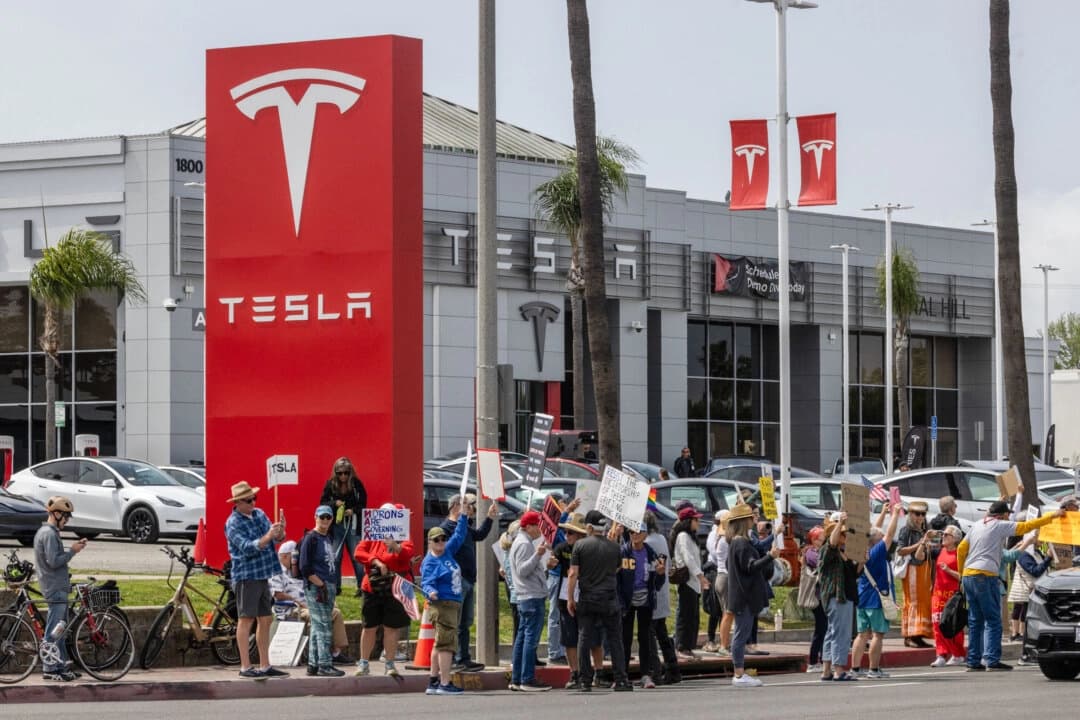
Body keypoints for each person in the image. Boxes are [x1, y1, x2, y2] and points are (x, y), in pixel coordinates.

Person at [957, 499, 1065, 671]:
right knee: (993, 620)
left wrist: (962, 574)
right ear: (1002, 515)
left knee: (975, 621)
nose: (1009, 517)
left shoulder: (977, 525)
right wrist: (1052, 516)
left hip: (969, 575)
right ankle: (992, 660)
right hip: (986, 576)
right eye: (1008, 514)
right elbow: (1026, 526)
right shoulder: (999, 525)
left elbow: (961, 549)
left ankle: (973, 661)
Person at [224, 481, 288, 679]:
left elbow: (275, 539)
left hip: (263, 574)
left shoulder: (259, 514)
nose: (253, 502)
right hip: (246, 575)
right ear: (238, 502)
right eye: (248, 500)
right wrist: (269, 536)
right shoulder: (233, 523)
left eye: (254, 498)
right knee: (246, 619)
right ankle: (245, 666)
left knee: (266, 619)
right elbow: (247, 547)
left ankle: (265, 664)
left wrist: (280, 532)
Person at [567, 514, 632, 692]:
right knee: (615, 639)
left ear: (589, 527)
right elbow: (617, 568)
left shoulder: (580, 546)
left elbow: (573, 574)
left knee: (584, 638)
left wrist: (571, 598)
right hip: (610, 598)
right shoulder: (614, 547)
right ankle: (621, 679)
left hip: (588, 597)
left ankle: (585, 680)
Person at [353, 503, 416, 677]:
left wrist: (396, 546)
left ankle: (389, 664)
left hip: (395, 587)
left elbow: (408, 553)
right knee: (369, 626)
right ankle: (364, 663)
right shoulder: (372, 533)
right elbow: (358, 552)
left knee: (391, 627)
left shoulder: (403, 534)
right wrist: (375, 561)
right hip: (372, 586)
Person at [269, 540, 353, 665]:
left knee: (333, 607)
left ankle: (335, 652)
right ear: (285, 556)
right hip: (292, 609)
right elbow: (278, 594)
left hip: (308, 605)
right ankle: (327, 654)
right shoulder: (276, 571)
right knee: (331, 613)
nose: (296, 560)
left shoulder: (297, 570)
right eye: (294, 557)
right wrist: (301, 603)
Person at [440, 493, 497, 671]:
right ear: (457, 506)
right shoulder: (447, 528)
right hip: (457, 581)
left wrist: (489, 518)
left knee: (466, 621)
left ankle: (464, 657)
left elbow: (479, 536)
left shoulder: (464, 526)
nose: (472, 508)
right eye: (469, 504)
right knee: (456, 622)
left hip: (469, 579)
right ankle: (456, 658)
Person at [34, 495, 88, 682]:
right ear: (56, 514)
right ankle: (50, 667)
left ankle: (61, 665)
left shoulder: (48, 532)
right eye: (66, 516)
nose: (67, 520)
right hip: (54, 587)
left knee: (60, 629)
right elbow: (54, 561)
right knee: (54, 629)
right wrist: (73, 551)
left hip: (57, 586)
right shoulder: (48, 534)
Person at [725, 502, 779, 688]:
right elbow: (750, 567)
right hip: (744, 596)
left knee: (742, 633)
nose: (753, 520)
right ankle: (739, 673)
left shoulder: (738, 542)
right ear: (743, 521)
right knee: (741, 635)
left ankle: (739, 672)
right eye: (750, 517)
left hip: (743, 594)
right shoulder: (741, 543)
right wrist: (770, 557)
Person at [850, 503, 902, 678]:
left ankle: (855, 669)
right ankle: (873, 669)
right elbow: (889, 534)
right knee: (877, 635)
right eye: (880, 536)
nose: (883, 536)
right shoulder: (878, 551)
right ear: (877, 540)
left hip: (863, 597)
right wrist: (894, 514)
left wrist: (882, 513)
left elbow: (874, 531)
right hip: (876, 600)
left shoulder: (863, 551)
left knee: (861, 634)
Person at [421, 518, 470, 695]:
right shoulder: (430, 562)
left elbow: (459, 535)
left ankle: (433, 681)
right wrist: (431, 591)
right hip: (442, 605)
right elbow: (426, 582)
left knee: (440, 642)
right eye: (436, 540)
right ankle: (445, 682)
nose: (440, 542)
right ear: (429, 542)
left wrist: (463, 516)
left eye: (442, 539)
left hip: (452, 604)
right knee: (447, 644)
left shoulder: (447, 551)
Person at [509, 510, 555, 691]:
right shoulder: (524, 544)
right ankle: (527, 678)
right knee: (530, 639)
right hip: (531, 596)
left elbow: (529, 571)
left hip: (528, 595)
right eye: (537, 525)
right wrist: (537, 554)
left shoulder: (523, 542)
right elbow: (522, 570)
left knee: (522, 638)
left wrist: (544, 563)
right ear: (528, 526)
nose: (540, 530)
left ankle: (517, 678)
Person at [298, 505, 345, 677]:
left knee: (318, 627)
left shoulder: (328, 537)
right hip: (316, 587)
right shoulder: (311, 538)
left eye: (328, 517)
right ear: (315, 517)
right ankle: (325, 664)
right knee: (324, 625)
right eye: (322, 516)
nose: (325, 520)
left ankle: (313, 664)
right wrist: (320, 584)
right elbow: (304, 566)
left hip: (329, 585)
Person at [618, 521, 664, 688]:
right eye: (631, 532)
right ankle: (622, 675)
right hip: (627, 601)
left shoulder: (651, 553)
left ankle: (646, 674)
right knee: (625, 638)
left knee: (645, 639)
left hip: (646, 601)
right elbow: (618, 579)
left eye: (638, 532)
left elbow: (658, 583)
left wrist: (660, 574)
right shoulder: (623, 552)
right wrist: (620, 601)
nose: (634, 535)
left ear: (645, 534)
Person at [818, 511, 859, 682]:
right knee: (840, 633)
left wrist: (862, 561)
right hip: (837, 596)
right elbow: (832, 543)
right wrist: (839, 524)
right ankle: (839, 669)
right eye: (843, 533)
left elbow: (853, 574)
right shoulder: (829, 549)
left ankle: (826, 669)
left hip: (845, 595)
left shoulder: (844, 553)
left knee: (832, 632)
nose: (845, 536)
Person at [319, 457, 368, 595]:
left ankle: (361, 587)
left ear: (350, 472)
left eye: (346, 473)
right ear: (336, 473)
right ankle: (336, 587)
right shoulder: (330, 484)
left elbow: (363, 505)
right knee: (335, 556)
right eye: (340, 473)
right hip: (336, 526)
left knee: (357, 556)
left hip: (353, 526)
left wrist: (353, 511)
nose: (343, 476)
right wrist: (335, 504)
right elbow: (322, 503)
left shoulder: (356, 484)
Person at [643, 510, 681, 685]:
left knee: (650, 635)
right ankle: (673, 669)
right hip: (663, 591)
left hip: (651, 594)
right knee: (662, 633)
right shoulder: (661, 539)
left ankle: (655, 670)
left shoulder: (647, 543)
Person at [553, 513, 588, 688]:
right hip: (565, 596)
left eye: (571, 533)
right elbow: (552, 560)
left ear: (581, 535)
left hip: (585, 596)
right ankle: (574, 672)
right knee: (569, 637)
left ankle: (586, 672)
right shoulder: (562, 549)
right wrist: (550, 562)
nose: (567, 536)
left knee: (587, 636)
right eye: (566, 532)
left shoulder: (588, 549)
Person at [1006, 529, 1051, 665]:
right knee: (1029, 622)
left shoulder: (1036, 553)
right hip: (1030, 592)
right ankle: (1026, 655)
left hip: (1038, 592)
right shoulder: (1025, 555)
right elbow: (1035, 571)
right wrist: (1048, 558)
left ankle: (1033, 652)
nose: (1041, 540)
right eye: (1038, 537)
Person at [896, 500, 934, 648]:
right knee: (913, 601)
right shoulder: (906, 530)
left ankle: (918, 634)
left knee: (923, 601)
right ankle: (909, 635)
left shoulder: (924, 530)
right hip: (912, 567)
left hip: (924, 567)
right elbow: (900, 550)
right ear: (910, 514)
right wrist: (920, 544)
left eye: (922, 514)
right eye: (917, 514)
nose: (920, 517)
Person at [670, 506, 706, 658]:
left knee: (693, 616)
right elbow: (687, 558)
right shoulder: (683, 536)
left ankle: (688, 647)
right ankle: (681, 646)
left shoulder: (690, 537)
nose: (698, 522)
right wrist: (700, 575)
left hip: (694, 583)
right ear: (688, 521)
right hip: (687, 581)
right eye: (695, 519)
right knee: (685, 615)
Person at [929, 525, 966, 667]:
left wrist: (949, 570)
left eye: (947, 535)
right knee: (937, 624)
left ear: (955, 539)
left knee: (952, 624)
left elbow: (963, 576)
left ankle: (958, 654)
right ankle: (941, 654)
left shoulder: (960, 553)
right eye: (943, 534)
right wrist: (924, 540)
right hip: (938, 594)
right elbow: (919, 556)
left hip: (953, 595)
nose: (943, 536)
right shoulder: (940, 551)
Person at [703, 509, 731, 654]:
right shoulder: (716, 535)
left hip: (718, 572)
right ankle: (712, 639)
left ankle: (722, 640)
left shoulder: (723, 536)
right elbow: (714, 554)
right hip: (715, 572)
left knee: (723, 611)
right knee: (716, 610)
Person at [801, 526, 827, 673]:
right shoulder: (811, 552)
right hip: (816, 595)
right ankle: (812, 661)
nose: (823, 540)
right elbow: (820, 564)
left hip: (822, 594)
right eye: (821, 537)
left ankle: (823, 658)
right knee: (821, 628)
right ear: (814, 539)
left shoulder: (819, 551)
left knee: (825, 628)